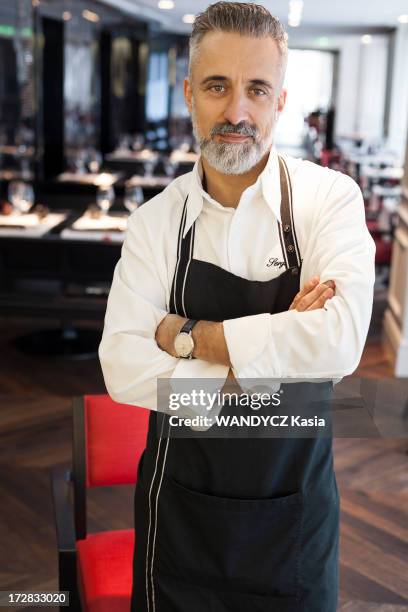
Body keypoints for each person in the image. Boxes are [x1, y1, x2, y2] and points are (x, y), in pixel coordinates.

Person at [98, 3, 376, 611]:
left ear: (279, 101)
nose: (237, 112)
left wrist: (188, 336)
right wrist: (276, 356)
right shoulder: (154, 223)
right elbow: (121, 368)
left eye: (256, 89)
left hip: (294, 517)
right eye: (218, 86)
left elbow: (342, 341)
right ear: (189, 92)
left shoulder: (328, 200)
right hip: (180, 518)